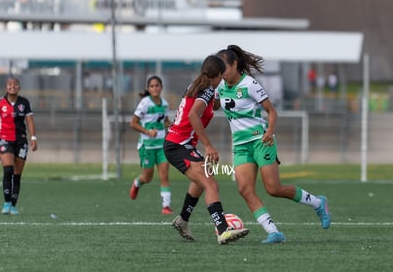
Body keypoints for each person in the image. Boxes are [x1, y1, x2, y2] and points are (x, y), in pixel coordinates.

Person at [216, 45, 331, 244]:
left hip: (261, 141)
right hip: (241, 146)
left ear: (235, 65)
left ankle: (318, 202)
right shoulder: (220, 86)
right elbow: (215, 105)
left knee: (273, 188)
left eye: (224, 68)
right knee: (244, 189)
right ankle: (273, 232)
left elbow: (272, 111)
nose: (222, 74)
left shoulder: (250, 84)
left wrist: (269, 132)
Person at [164, 55, 249, 245]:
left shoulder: (201, 85)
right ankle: (223, 231)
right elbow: (194, 115)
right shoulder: (207, 90)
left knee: (204, 178)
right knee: (211, 185)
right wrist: (209, 145)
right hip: (177, 145)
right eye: (223, 74)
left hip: (179, 144)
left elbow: (213, 105)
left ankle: (183, 220)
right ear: (218, 74)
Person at [0, 76, 38, 215]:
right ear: (6, 87)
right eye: (10, 84)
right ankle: (6, 203)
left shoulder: (24, 102)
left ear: (19, 87)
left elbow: (29, 120)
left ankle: (13, 205)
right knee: (8, 170)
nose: (13, 86)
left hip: (21, 140)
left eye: (15, 84)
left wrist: (33, 137)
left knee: (17, 174)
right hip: (4, 139)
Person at [129, 75, 173, 215]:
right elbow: (133, 123)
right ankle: (137, 183)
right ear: (149, 88)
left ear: (161, 87)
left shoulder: (164, 104)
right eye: (152, 86)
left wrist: (173, 125)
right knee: (147, 178)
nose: (155, 88)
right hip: (147, 147)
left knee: (164, 175)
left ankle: (166, 207)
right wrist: (148, 132)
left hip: (161, 146)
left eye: (157, 85)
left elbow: (164, 120)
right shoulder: (145, 103)